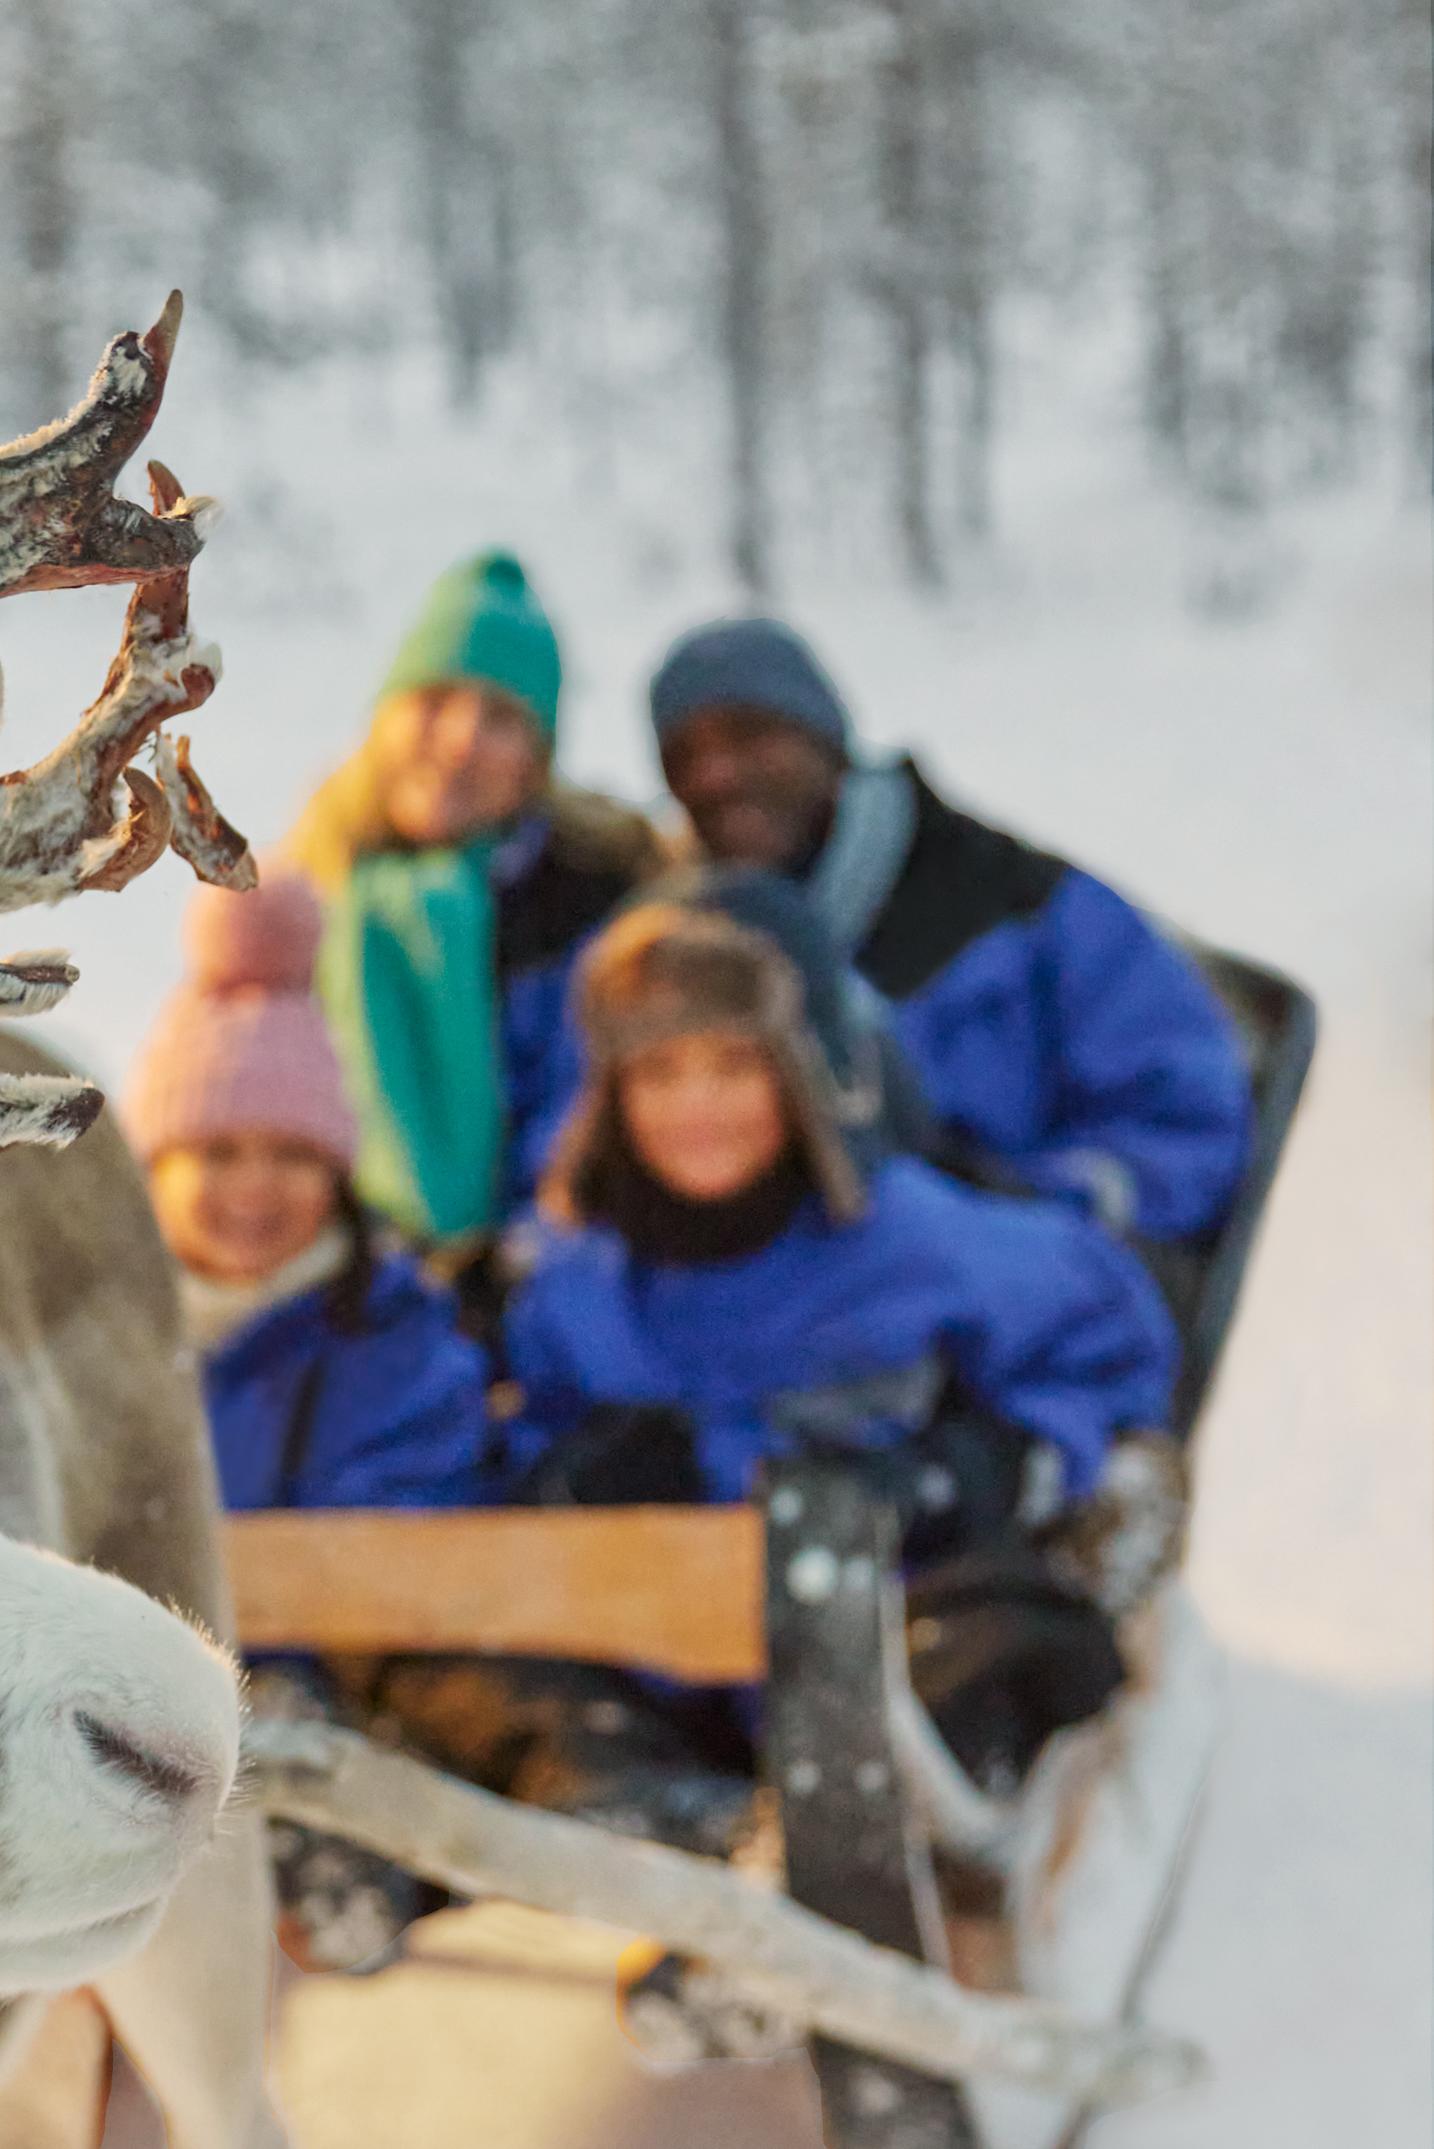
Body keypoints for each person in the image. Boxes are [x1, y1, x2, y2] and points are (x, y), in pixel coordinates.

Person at [510, 885, 1182, 1801]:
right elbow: (526, 1429)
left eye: (733, 1067)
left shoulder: (906, 1238)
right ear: (612, 1099)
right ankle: (656, 1828)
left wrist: (988, 1459)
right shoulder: (578, 1288)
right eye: (659, 1075)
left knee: (993, 1645)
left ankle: (917, 1835)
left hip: (900, 1617)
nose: (698, 1107)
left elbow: (1109, 1328)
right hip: (684, 1656)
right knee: (516, 1686)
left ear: (793, 1079)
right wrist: (574, 1477)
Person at [123, 874, 492, 1965]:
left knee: (302, 1737)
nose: (255, 1187)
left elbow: (401, 1520)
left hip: (322, 1682)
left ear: (337, 1172)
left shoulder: (391, 1331)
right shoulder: (91, 1326)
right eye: (219, 1152)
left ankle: (339, 1886)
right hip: (123, 1677)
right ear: (158, 1168)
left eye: (291, 1155)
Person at [645, 614, 1251, 1252]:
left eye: (750, 736)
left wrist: (1026, 1216)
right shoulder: (669, 948)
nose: (713, 776)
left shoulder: (1028, 911)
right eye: (682, 756)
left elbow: (1185, 1124)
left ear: (825, 742)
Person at [279, 549, 656, 1256]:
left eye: (501, 719)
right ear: (383, 721)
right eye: (434, 703)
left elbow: (589, 1128)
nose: (461, 741)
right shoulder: (292, 904)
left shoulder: (595, 913)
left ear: (535, 762)